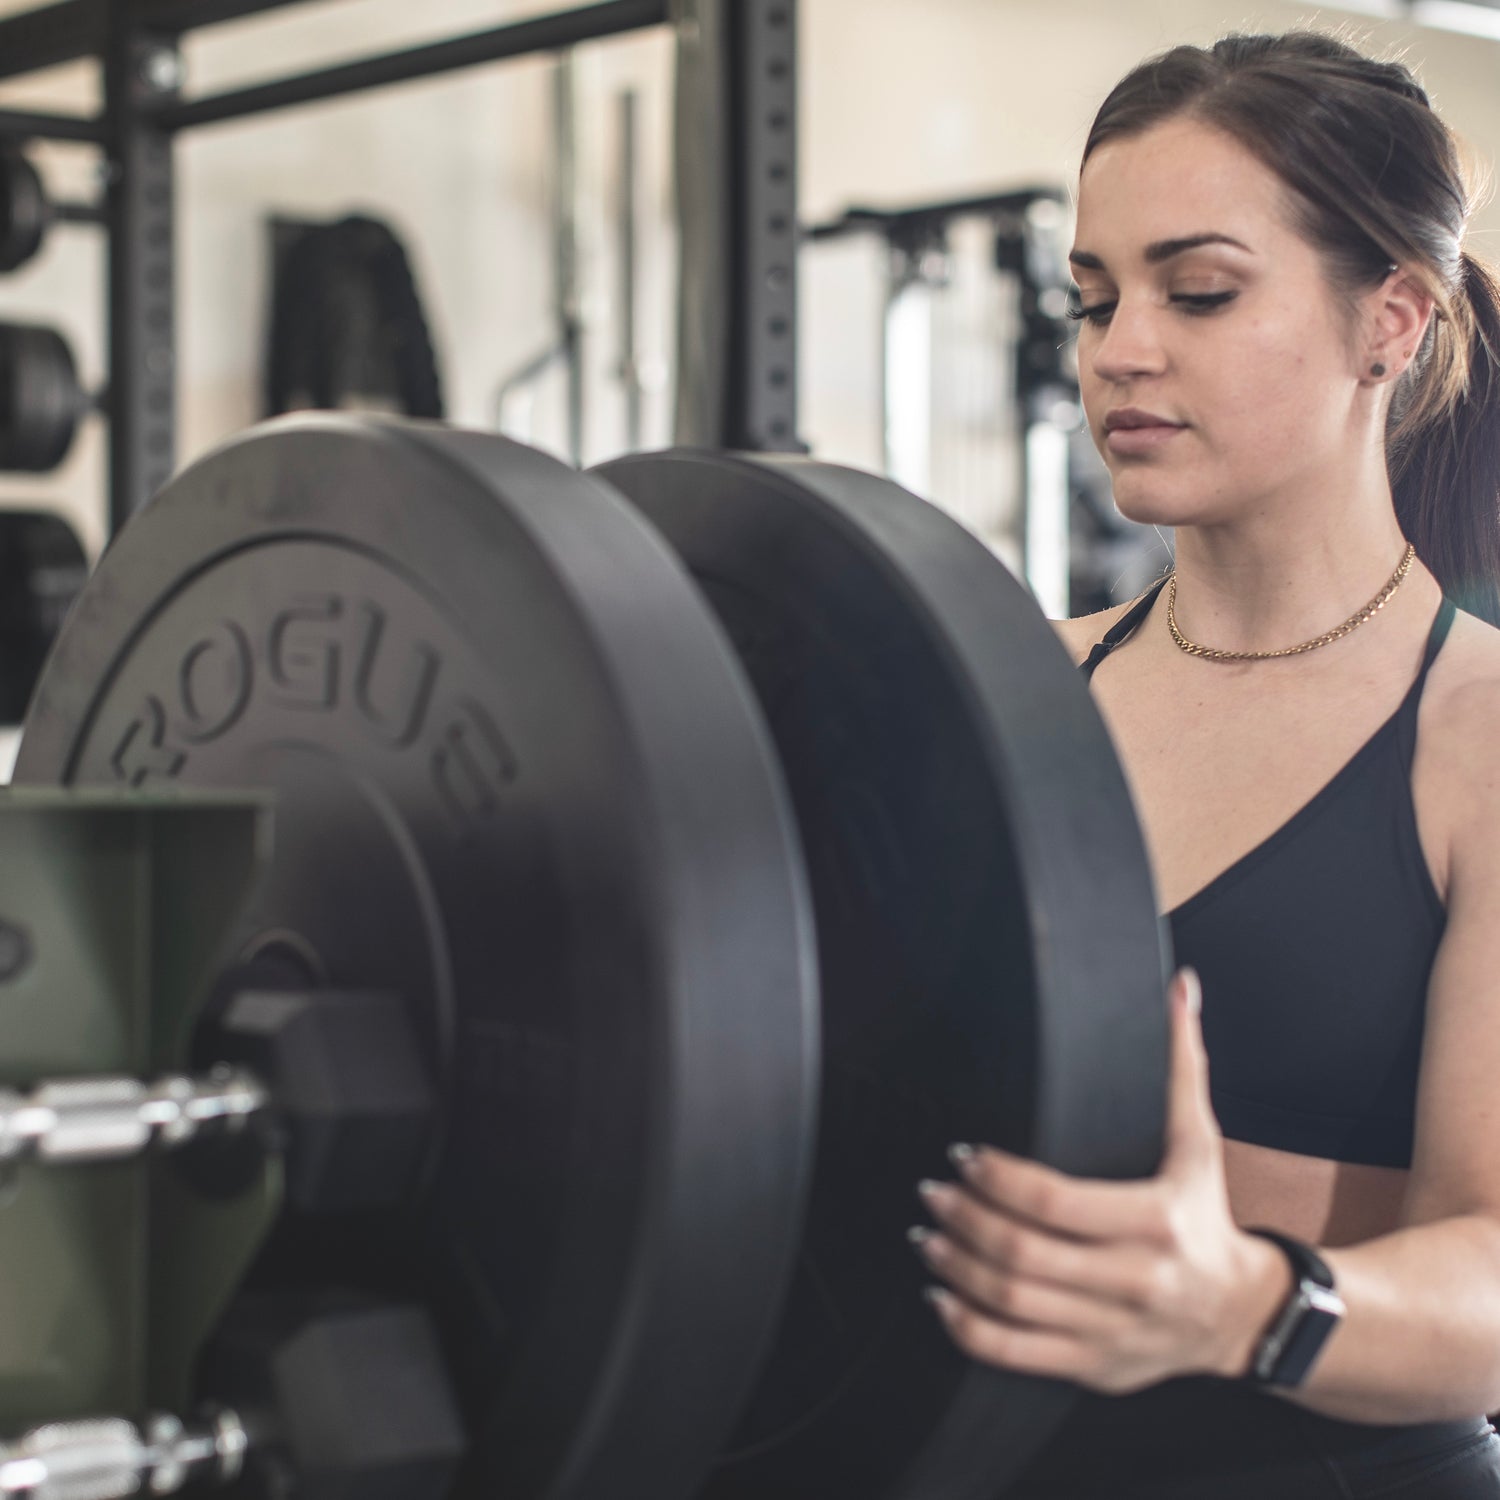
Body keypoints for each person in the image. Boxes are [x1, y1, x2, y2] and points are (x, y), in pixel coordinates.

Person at [910, 31, 1500, 1498]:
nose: (1121, 351)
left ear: (1394, 322)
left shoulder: (1480, 733)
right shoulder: (1009, 679)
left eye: (1201, 292)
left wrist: (1240, 1299)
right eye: (1096, 298)